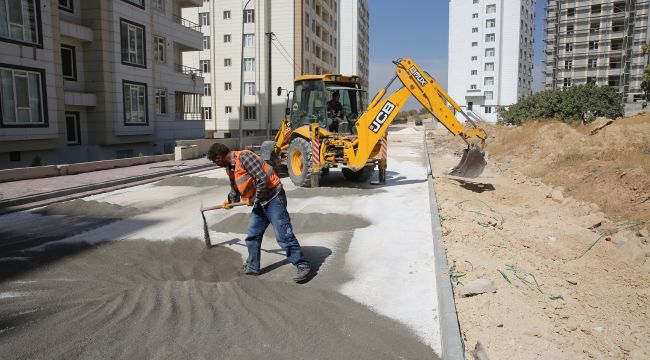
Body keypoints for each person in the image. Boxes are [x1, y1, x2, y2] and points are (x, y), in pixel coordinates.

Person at [207, 143, 312, 283]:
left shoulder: (245, 157)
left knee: (283, 236)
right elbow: (235, 188)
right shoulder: (230, 168)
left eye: (215, 161)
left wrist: (254, 198)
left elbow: (262, 179)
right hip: (260, 202)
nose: (216, 164)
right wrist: (229, 202)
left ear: (219, 158)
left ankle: (302, 265)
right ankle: (252, 267)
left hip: (273, 197)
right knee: (253, 235)